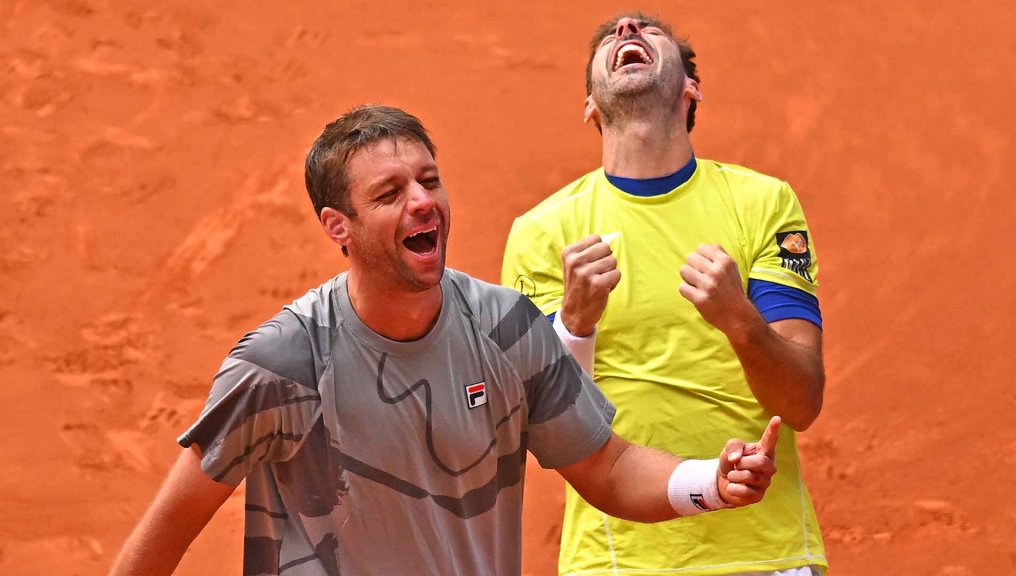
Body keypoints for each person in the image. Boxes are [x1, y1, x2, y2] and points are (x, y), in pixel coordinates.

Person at [109, 104, 782, 576]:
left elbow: (605, 467)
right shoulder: (283, 364)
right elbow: (171, 525)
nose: (422, 202)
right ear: (337, 226)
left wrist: (711, 483)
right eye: (390, 193)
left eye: (429, 181)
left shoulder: (505, 328)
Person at [502, 13, 828, 576]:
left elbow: (801, 402)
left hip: (765, 556)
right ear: (590, 106)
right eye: (612, 37)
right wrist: (575, 323)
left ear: (689, 88)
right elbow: (545, 425)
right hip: (617, 561)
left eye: (651, 32)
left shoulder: (763, 204)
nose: (627, 27)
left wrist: (740, 321)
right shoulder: (543, 232)